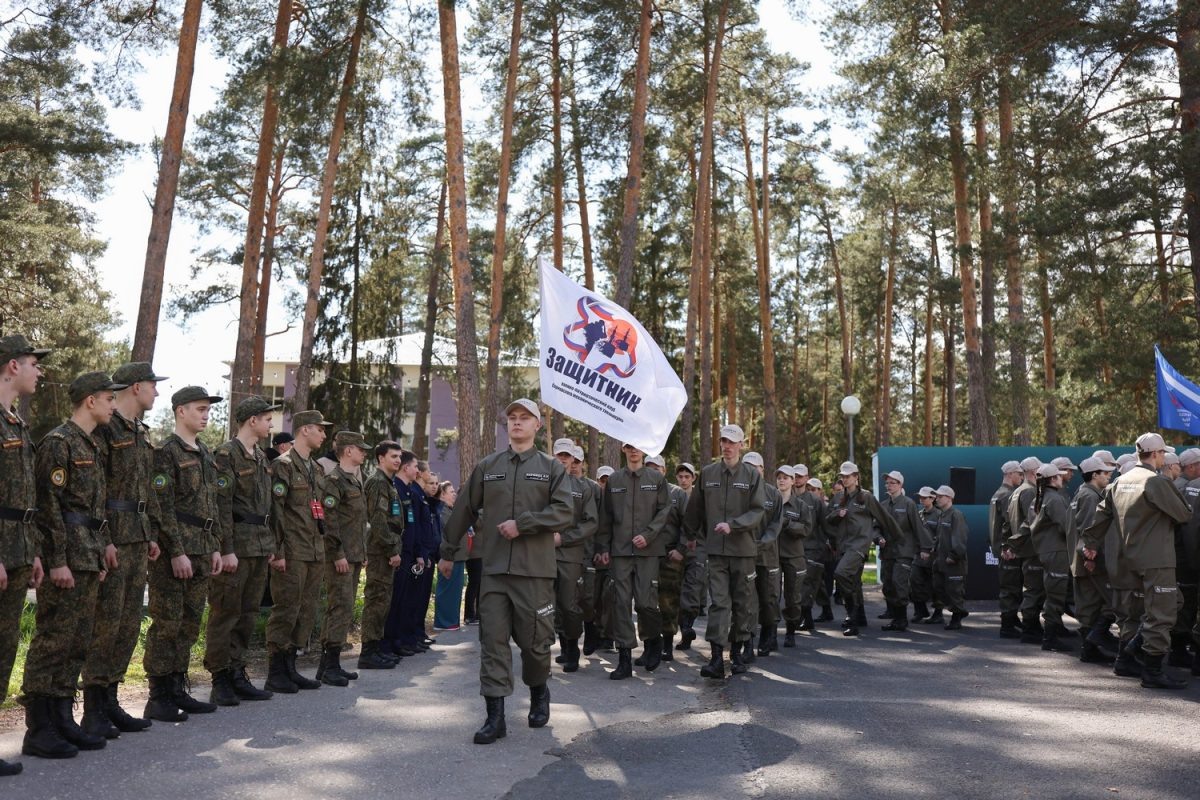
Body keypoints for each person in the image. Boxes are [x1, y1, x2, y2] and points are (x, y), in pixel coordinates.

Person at [439, 398, 573, 744]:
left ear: (537, 426)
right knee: (492, 643)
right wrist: (448, 552)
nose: (517, 422)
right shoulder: (489, 466)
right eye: (512, 417)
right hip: (495, 570)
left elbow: (564, 512)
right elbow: (464, 509)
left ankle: (539, 691)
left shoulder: (551, 468)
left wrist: (524, 524)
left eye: (524, 418)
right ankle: (494, 717)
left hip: (534, 572)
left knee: (535, 645)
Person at [21, 371, 123, 759]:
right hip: (66, 556)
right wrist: (57, 560)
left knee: (77, 641)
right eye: (109, 399)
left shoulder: (92, 444)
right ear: (90, 401)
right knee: (53, 640)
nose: (113, 405)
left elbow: (94, 507)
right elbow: (48, 507)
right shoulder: (59, 443)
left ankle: (62, 717)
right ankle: (39, 726)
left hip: (87, 553)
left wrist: (102, 547)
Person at [80, 362, 165, 738]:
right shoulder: (106, 428)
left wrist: (152, 533)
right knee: (106, 624)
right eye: (152, 385)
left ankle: (111, 700)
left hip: (138, 536)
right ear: (135, 387)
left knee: (129, 624)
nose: (156, 392)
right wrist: (104, 539)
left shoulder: (142, 433)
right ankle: (93, 707)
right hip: (113, 535)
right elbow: (96, 489)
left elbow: (146, 490)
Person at [1084, 433, 1193, 689]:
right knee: (1162, 612)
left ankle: (1125, 658)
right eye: (1163, 453)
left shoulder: (1120, 481)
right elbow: (1184, 514)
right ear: (1154, 454)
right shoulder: (1155, 481)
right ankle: (1152, 670)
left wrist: (1090, 544)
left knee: (1133, 611)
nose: (1165, 457)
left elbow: (1101, 516)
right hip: (1156, 558)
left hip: (1126, 558)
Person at [143, 385, 225, 722]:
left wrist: (215, 545)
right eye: (200, 409)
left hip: (202, 549)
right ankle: (158, 696)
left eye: (208, 410)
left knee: (189, 624)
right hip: (176, 552)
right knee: (167, 623)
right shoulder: (166, 452)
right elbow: (161, 507)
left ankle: (177, 688)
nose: (206, 415)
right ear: (180, 411)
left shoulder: (204, 453)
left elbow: (211, 505)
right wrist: (176, 551)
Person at [205, 395, 279, 706]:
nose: (271, 424)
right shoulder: (226, 454)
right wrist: (226, 548)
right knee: (226, 613)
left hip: (259, 545)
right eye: (267, 419)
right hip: (236, 546)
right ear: (252, 420)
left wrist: (270, 543)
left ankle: (237, 672)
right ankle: (220, 678)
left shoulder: (260, 457)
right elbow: (221, 506)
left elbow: (267, 506)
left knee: (248, 614)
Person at [0, 336, 49, 775]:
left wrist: (32, 550)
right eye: (34, 363)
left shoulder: (15, 422)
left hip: (17, 549)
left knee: (4, 646)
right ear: (13, 366)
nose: (39, 371)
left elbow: (24, 498)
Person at [682, 424, 765, 679]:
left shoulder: (751, 476)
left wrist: (734, 525)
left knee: (742, 604)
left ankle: (737, 653)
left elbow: (758, 510)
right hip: (716, 551)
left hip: (743, 551)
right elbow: (695, 509)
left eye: (732, 442)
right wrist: (690, 536)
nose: (727, 446)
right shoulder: (708, 474)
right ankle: (717, 657)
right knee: (719, 603)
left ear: (741, 445)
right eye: (724, 441)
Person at [264, 409, 334, 693]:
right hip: (292, 550)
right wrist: (278, 551)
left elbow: (319, 510)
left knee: (306, 610)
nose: (324, 434)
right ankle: (275, 671)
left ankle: (290, 666)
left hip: (314, 549)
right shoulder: (282, 465)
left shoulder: (316, 469)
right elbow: (276, 510)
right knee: (286, 609)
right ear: (305, 430)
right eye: (320, 429)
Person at [596, 442, 672, 679]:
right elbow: (606, 517)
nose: (633, 450)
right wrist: (603, 547)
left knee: (646, 603)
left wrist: (648, 535)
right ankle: (624, 658)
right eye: (629, 446)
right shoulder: (614, 480)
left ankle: (653, 640)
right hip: (620, 551)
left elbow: (664, 511)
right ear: (623, 449)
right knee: (620, 603)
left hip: (648, 551)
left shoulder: (656, 479)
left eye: (637, 446)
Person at [316, 431, 373, 687]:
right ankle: (329, 666)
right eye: (361, 449)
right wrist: (337, 553)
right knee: (339, 607)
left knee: (344, 608)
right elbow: (329, 522)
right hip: (341, 557)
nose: (364, 453)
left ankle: (329, 665)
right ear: (348, 451)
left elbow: (358, 523)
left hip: (354, 555)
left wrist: (362, 553)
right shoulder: (334, 481)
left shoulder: (354, 480)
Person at [824, 462, 901, 637]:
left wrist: (898, 538)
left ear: (856, 477)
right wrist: (837, 514)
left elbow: (884, 518)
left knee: (841, 573)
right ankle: (859, 617)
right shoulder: (839, 498)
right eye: (842, 476)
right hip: (842, 546)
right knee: (854, 582)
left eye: (848, 476)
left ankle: (852, 618)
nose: (844, 479)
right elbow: (827, 520)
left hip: (858, 546)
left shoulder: (866, 497)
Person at [357, 441, 405, 670]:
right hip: (380, 550)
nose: (398, 460)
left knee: (383, 601)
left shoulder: (388, 482)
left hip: (386, 548)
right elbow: (377, 520)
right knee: (376, 600)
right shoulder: (377, 482)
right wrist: (391, 550)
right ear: (380, 458)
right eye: (393, 456)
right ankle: (368, 652)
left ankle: (376, 648)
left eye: (399, 456)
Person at [550, 440, 597, 672]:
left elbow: (591, 522)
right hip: (542, 554)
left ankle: (572, 648)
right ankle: (558, 648)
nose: (563, 459)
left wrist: (564, 538)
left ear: (572, 459)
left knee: (569, 605)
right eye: (559, 454)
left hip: (570, 554)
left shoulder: (583, 487)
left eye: (567, 456)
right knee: (547, 606)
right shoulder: (542, 482)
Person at [385, 453, 436, 657]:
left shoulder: (410, 491)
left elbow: (418, 525)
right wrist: (417, 553)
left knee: (410, 600)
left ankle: (406, 639)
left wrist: (421, 552)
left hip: (413, 552)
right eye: (415, 467)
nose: (418, 471)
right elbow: (400, 525)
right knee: (401, 600)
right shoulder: (401, 489)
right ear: (406, 468)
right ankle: (396, 641)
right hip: (404, 552)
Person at [1069, 456, 1117, 664]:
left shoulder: (1082, 492)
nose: (1108, 476)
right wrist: (1090, 556)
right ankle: (1093, 643)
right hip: (1090, 559)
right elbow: (1088, 530)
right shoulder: (1090, 496)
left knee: (1090, 606)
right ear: (1094, 475)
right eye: (1104, 473)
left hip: (1083, 559)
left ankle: (1089, 649)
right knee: (1110, 602)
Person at [1029, 463, 1074, 651]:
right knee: (1056, 596)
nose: (1062, 478)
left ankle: (1051, 635)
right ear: (1053, 479)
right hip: (1057, 552)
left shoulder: (1039, 498)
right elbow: (1067, 527)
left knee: (1052, 594)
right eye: (1059, 475)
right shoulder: (1054, 499)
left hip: (1046, 551)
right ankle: (1050, 638)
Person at [646, 454, 686, 660]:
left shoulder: (677, 493)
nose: (653, 472)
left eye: (657, 468)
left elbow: (689, 524)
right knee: (646, 601)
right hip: (646, 554)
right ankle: (649, 645)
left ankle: (667, 644)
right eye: (649, 468)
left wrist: (681, 549)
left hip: (670, 554)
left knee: (668, 601)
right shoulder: (641, 491)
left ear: (664, 471)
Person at [742, 452, 782, 658]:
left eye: (754, 467)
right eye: (747, 466)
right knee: (747, 600)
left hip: (767, 555)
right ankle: (748, 640)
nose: (751, 470)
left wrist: (761, 544)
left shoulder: (773, 494)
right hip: (744, 555)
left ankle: (769, 633)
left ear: (762, 470)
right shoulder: (738, 492)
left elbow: (775, 525)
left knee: (768, 597)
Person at [878, 470, 925, 632]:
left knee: (899, 583)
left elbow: (918, 527)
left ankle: (901, 619)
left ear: (900, 485)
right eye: (887, 483)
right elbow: (875, 527)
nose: (888, 485)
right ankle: (895, 618)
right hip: (887, 553)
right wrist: (878, 538)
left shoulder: (908, 504)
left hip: (904, 551)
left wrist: (925, 548)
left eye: (892, 482)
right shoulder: (883, 505)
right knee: (888, 585)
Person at [1003, 456, 1043, 643]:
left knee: (1030, 589)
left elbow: (1007, 522)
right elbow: (1032, 521)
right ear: (1034, 472)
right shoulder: (1029, 492)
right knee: (1033, 590)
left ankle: (1032, 627)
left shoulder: (1017, 491)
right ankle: (1030, 628)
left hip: (1024, 548)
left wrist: (1010, 544)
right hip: (1031, 548)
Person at [776, 466, 814, 647]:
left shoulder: (801, 506)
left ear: (792, 481)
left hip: (793, 556)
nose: (782, 480)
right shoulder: (771, 502)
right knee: (770, 596)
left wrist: (788, 524)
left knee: (792, 597)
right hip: (772, 555)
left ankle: (790, 631)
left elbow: (806, 529)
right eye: (779, 477)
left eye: (786, 477)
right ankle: (770, 633)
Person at [989, 461, 1024, 637]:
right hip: (1008, 550)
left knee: (1010, 586)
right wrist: (1008, 546)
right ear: (1010, 474)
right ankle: (1007, 626)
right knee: (1010, 588)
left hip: (1002, 548)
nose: (1021, 477)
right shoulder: (1007, 495)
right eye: (1019, 473)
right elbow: (1006, 524)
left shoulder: (998, 493)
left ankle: (1011, 619)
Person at [674, 462, 706, 650]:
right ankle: (682, 629)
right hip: (677, 550)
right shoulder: (673, 496)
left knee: (692, 591)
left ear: (693, 478)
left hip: (697, 549)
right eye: (680, 476)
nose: (684, 480)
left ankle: (687, 628)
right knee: (676, 592)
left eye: (687, 476)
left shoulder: (700, 498)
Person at [930, 486, 969, 630]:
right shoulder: (942, 515)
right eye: (936, 496)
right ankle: (959, 612)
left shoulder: (956, 515)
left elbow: (960, 537)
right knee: (940, 588)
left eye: (940, 496)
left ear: (949, 498)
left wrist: (954, 555)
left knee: (955, 591)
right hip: (940, 561)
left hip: (954, 562)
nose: (937, 499)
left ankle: (956, 619)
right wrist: (934, 550)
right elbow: (939, 537)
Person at [433, 480, 466, 631]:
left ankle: (452, 620)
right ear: (442, 495)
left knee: (455, 591)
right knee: (447, 590)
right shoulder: (442, 511)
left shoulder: (450, 510)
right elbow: (447, 533)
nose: (454, 495)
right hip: (449, 557)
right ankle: (443, 622)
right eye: (451, 492)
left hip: (458, 556)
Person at [910, 486, 939, 622]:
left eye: (924, 497)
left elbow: (941, 535)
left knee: (936, 585)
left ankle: (938, 614)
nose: (921, 500)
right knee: (914, 581)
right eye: (920, 497)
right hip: (918, 555)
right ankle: (920, 611)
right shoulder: (918, 514)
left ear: (932, 499)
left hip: (934, 556)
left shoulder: (939, 514)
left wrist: (931, 549)